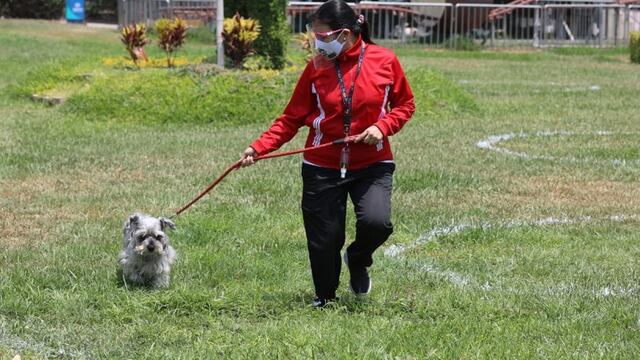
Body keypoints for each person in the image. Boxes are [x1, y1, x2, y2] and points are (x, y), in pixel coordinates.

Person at [240, 0, 415, 308]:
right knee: (324, 240)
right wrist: (259, 147)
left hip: (372, 163)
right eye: (315, 35)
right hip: (321, 166)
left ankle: (358, 258)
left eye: (322, 36)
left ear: (345, 34)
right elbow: (291, 118)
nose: (317, 42)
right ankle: (325, 298)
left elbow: (405, 105)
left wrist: (383, 126)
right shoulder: (315, 68)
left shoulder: (385, 61)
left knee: (377, 223)